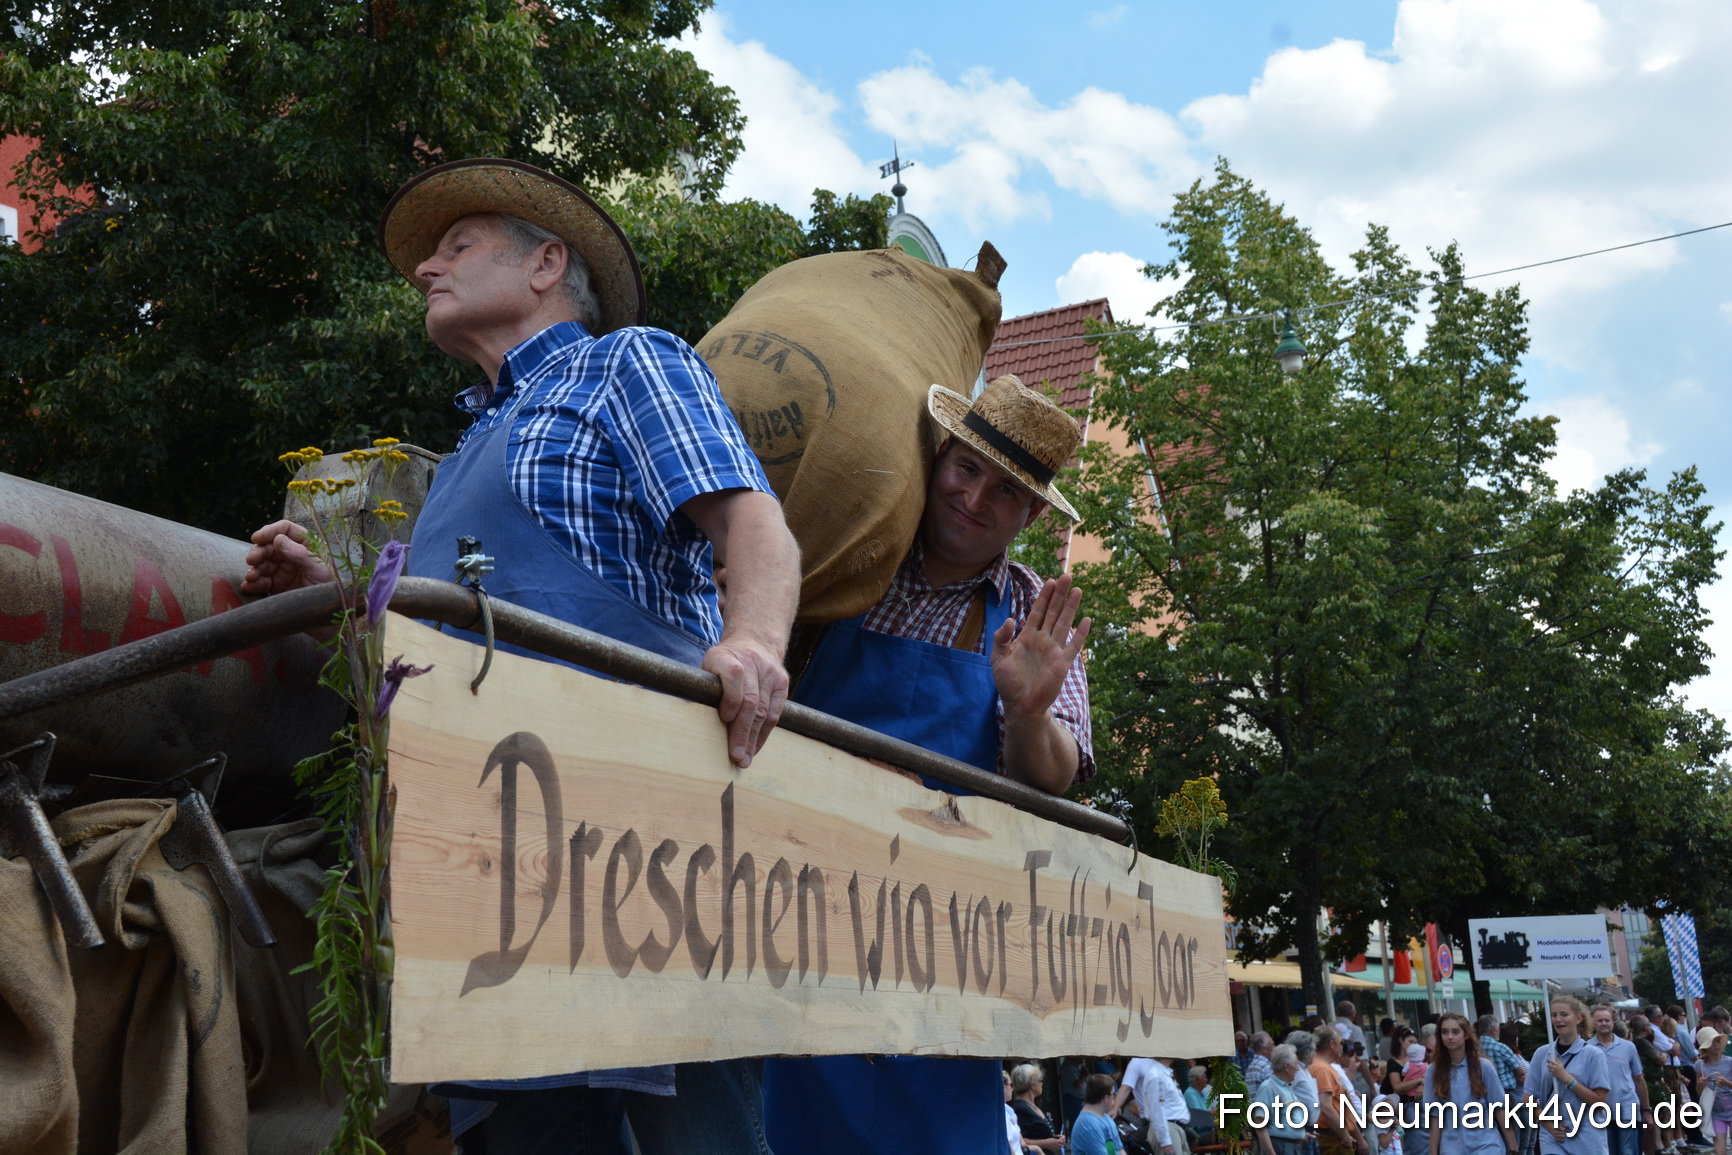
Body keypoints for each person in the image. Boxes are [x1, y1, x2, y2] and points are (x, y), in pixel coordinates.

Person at [242, 158, 800, 1155]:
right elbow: (446, 643)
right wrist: (332, 600)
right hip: (490, 853)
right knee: (529, 1137)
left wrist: (753, 644)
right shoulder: (457, 460)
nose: (425, 267)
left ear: (549, 263)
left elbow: (752, 520)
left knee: (695, 1132)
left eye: (457, 247)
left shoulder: (627, 362)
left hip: (646, 843)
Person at [761, 375, 1096, 1153]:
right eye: (967, 468)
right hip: (803, 915)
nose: (976, 499)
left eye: (1006, 491)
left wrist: (1027, 708)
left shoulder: (1035, 614)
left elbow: (1053, 778)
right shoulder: (852, 559)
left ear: (1033, 513)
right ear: (939, 456)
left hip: (945, 942)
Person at [1522, 996, 1611, 1155]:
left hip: (1587, 1138)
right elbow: (1529, 1098)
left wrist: (1566, 1078)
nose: (1558, 1020)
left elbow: (1600, 1102)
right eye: (1554, 1015)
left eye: (1564, 1014)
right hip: (1553, 1139)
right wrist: (1550, 1125)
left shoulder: (1593, 1055)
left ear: (1578, 1018)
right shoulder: (1542, 1053)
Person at [1425, 1011, 1518, 1155]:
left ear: (1466, 1034)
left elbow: (1499, 1107)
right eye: (1445, 1032)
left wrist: (1513, 1148)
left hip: (1486, 1145)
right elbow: (1435, 1115)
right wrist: (1433, 1152)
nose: (1449, 1037)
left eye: (1455, 1032)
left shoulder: (1484, 1066)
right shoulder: (1433, 1071)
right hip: (1452, 1147)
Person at [1590, 1005, 1649, 1155]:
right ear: (1593, 1023)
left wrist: (1646, 1110)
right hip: (1600, 1111)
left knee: (1628, 1151)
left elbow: (1638, 1079)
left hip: (1627, 1108)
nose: (1604, 1023)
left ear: (1613, 1022)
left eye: (1607, 1020)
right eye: (1600, 1020)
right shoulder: (1587, 1048)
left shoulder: (1628, 1047)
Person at [1121, 1056, 1197, 1155]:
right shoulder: (1156, 1075)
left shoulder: (1164, 1073)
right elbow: (1156, 1110)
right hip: (1169, 1129)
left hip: (1175, 1128)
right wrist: (1166, 1143)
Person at [1312, 1027, 1369, 1155]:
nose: (1342, 1048)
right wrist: (1345, 1136)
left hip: (1334, 1135)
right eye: (1340, 1043)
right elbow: (1326, 1107)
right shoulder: (1322, 1070)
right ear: (1332, 1044)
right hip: (1333, 1137)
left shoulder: (1324, 1067)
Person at [1254, 1046, 1317, 1155]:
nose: (1298, 1069)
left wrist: (1301, 1134)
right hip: (1280, 1147)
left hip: (1292, 1146)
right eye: (1296, 1064)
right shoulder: (1268, 1088)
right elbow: (1260, 1125)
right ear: (1287, 1066)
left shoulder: (1286, 1087)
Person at [1010, 1063, 1067, 1153]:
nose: (1042, 1083)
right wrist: (1046, 1143)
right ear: (1032, 1085)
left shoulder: (1032, 1106)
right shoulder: (1020, 1109)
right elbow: (1019, 1140)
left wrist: (1056, 1140)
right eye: (1040, 1080)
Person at [1696, 1027, 1732, 1155]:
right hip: (1716, 1113)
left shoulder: (1729, 1062)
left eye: (1718, 1041)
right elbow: (1699, 1092)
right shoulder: (1700, 1065)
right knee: (1720, 1151)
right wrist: (1700, 1084)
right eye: (1712, 1042)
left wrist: (1726, 1083)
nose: (1716, 1045)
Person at [1074, 1074, 1127, 1155]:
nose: (1114, 1097)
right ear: (1106, 1098)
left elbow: (1120, 1149)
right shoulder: (1088, 1125)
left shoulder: (1106, 1117)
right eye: (1113, 1094)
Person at [1480, 1016, 1529, 1102]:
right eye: (1498, 1029)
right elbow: (1521, 1071)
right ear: (1493, 1030)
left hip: (1482, 1093)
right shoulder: (1500, 1048)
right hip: (1505, 1092)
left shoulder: (1473, 1048)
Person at [1189, 1066, 1218, 1143]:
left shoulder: (1203, 1093)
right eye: (1204, 1077)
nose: (1206, 1079)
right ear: (1197, 1080)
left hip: (1210, 1129)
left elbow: (1212, 1110)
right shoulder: (1190, 1093)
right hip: (1200, 1134)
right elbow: (1200, 1115)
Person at [1247, 1033, 1277, 1098]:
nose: (1275, 1047)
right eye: (1272, 1044)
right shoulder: (1266, 1067)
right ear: (1264, 1049)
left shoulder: (1251, 1066)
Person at [1008, 1069, 1028, 1155]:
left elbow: (1022, 1143)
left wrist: (1038, 1149)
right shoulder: (1019, 1108)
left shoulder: (1010, 1110)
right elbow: (1010, 1149)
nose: (1013, 1089)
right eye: (1011, 1085)